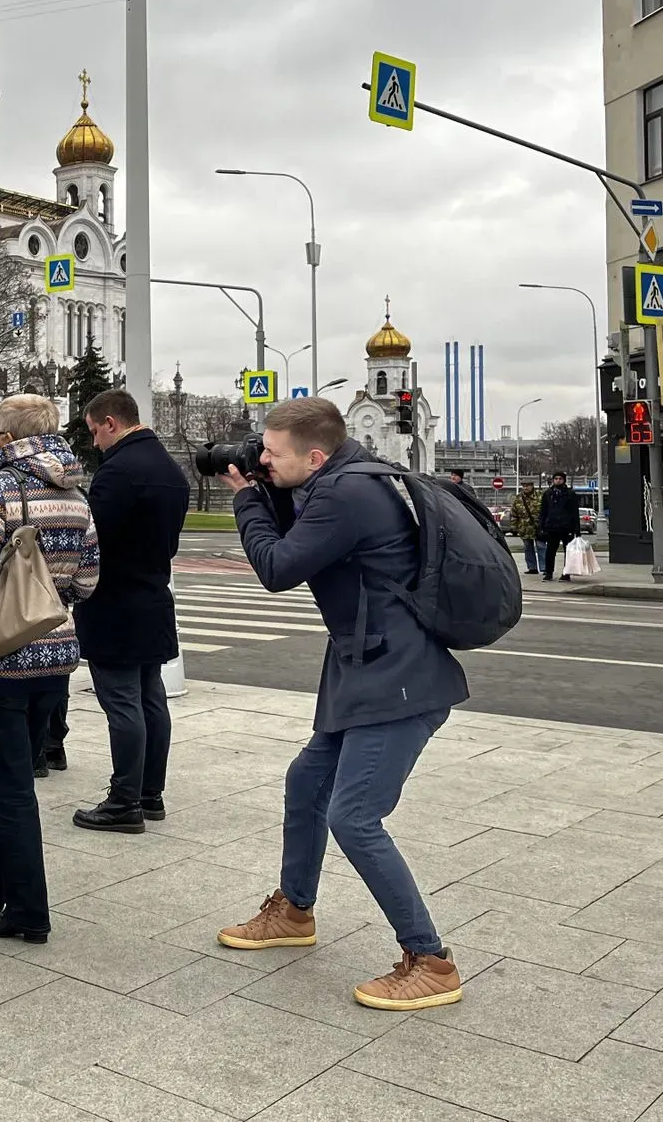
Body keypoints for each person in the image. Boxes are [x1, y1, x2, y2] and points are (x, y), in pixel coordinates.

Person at [215, 397, 468, 1011]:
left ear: (317, 456)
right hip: (366, 667)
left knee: (353, 816)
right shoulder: (345, 479)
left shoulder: (345, 494)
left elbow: (277, 567)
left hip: (397, 678)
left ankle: (431, 960)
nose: (263, 460)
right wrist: (270, 487)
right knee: (308, 782)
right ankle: (295, 911)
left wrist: (247, 498)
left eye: (272, 454)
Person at [0, 395, 97, 943]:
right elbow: (87, 582)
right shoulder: (77, 494)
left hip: (0, 658)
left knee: (11, 789)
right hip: (54, 656)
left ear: (6, 437)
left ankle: (29, 910)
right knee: (12, 778)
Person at [69, 390, 190, 834]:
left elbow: (92, 541)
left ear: (110, 423)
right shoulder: (170, 469)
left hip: (114, 602)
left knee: (122, 703)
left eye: (94, 431)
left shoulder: (118, 472)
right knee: (151, 698)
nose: (95, 442)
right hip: (154, 596)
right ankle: (149, 794)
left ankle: (124, 802)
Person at [539, 470, 582, 583]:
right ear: (553, 480)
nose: (558, 481)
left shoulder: (570, 493)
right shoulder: (548, 493)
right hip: (552, 526)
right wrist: (542, 526)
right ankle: (549, 573)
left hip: (566, 526)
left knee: (568, 551)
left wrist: (577, 529)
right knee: (550, 551)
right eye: (556, 479)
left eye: (560, 479)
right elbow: (543, 511)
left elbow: (574, 512)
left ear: (564, 480)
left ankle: (566, 573)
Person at [507, 479, 545, 575]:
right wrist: (514, 527)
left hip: (538, 527)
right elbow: (514, 513)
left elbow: (546, 511)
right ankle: (532, 567)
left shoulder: (540, 496)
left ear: (532, 486)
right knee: (528, 547)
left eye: (527, 485)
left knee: (541, 547)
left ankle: (544, 567)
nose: (525, 488)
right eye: (523, 486)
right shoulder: (518, 498)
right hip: (524, 527)